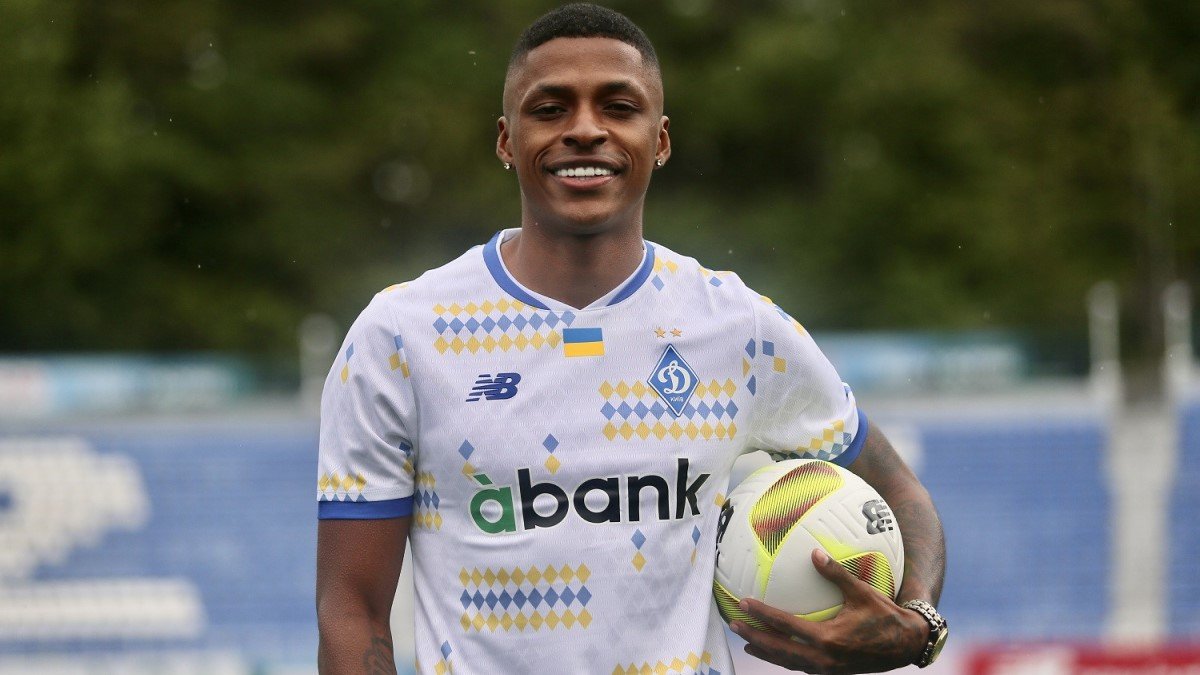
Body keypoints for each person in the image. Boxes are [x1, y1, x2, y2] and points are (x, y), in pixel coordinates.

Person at [316, 4, 947, 674]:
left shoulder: (739, 328)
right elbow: (351, 607)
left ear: (661, 139)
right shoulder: (400, 337)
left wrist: (917, 624)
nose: (586, 130)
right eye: (550, 109)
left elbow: (901, 492)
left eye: (618, 107)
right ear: (505, 140)